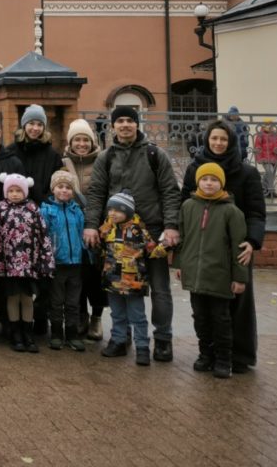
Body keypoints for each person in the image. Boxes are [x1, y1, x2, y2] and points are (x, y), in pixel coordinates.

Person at [83, 105, 180, 363]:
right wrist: (92, 224)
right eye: (120, 121)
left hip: (153, 232)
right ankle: (120, 337)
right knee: (119, 289)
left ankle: (162, 340)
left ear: (137, 124)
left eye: (130, 120)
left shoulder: (154, 154)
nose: (125, 125)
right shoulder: (106, 157)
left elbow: (170, 191)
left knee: (160, 289)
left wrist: (171, 225)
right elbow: (96, 193)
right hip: (117, 238)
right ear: (113, 126)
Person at [180, 118, 266, 373]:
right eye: (214, 138)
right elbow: (186, 206)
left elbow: (256, 212)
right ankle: (208, 353)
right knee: (206, 309)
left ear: (231, 142)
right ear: (207, 140)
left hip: (236, 247)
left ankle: (238, 355)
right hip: (204, 248)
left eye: (223, 139)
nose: (218, 143)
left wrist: (252, 241)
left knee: (238, 303)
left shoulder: (246, 172)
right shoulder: (194, 168)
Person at [176, 163, 249, 379]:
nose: (209, 183)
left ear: (221, 183)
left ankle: (223, 359)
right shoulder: (188, 206)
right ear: (198, 181)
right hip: (195, 275)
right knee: (200, 317)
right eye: (205, 179)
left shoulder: (231, 211)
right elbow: (183, 238)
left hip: (219, 275)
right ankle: (205, 354)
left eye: (214, 180)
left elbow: (239, 247)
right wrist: (179, 264)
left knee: (221, 318)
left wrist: (239, 277)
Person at [98, 190, 168, 366]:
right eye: (110, 209)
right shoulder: (107, 229)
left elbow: (151, 250)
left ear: (128, 212)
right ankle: (118, 341)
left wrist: (166, 246)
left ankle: (142, 347)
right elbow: (101, 250)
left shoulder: (138, 230)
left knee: (137, 316)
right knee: (117, 314)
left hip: (133, 282)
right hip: (112, 280)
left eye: (118, 210)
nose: (113, 213)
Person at [0, 173, 55, 353]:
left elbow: (43, 236)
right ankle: (15, 333)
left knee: (27, 298)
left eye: (18, 190)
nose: (14, 194)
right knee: (12, 297)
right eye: (11, 190)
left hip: (29, 264)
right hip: (9, 264)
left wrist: (45, 260)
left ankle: (28, 332)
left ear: (25, 191)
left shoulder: (33, 209)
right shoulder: (1, 209)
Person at [62, 118, 106, 340]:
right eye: (77, 140)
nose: (81, 144)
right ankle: (81, 315)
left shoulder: (102, 160)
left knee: (95, 275)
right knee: (76, 273)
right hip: (71, 227)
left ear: (92, 141)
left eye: (85, 140)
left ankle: (97, 317)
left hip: (98, 225)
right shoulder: (63, 162)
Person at [40, 170, 87, 352]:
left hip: (75, 262)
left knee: (73, 301)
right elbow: (42, 235)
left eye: (68, 187)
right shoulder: (46, 210)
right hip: (56, 263)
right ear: (53, 189)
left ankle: (73, 333)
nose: (64, 190)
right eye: (60, 187)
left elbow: (83, 233)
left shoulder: (77, 211)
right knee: (56, 300)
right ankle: (57, 333)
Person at [253, 119, 277, 200]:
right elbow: (257, 147)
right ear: (263, 125)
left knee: (272, 175)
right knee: (270, 172)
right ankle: (265, 190)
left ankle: (269, 191)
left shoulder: (276, 135)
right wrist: (259, 158)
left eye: (270, 124)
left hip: (275, 158)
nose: (269, 126)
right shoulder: (260, 135)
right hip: (265, 158)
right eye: (267, 125)